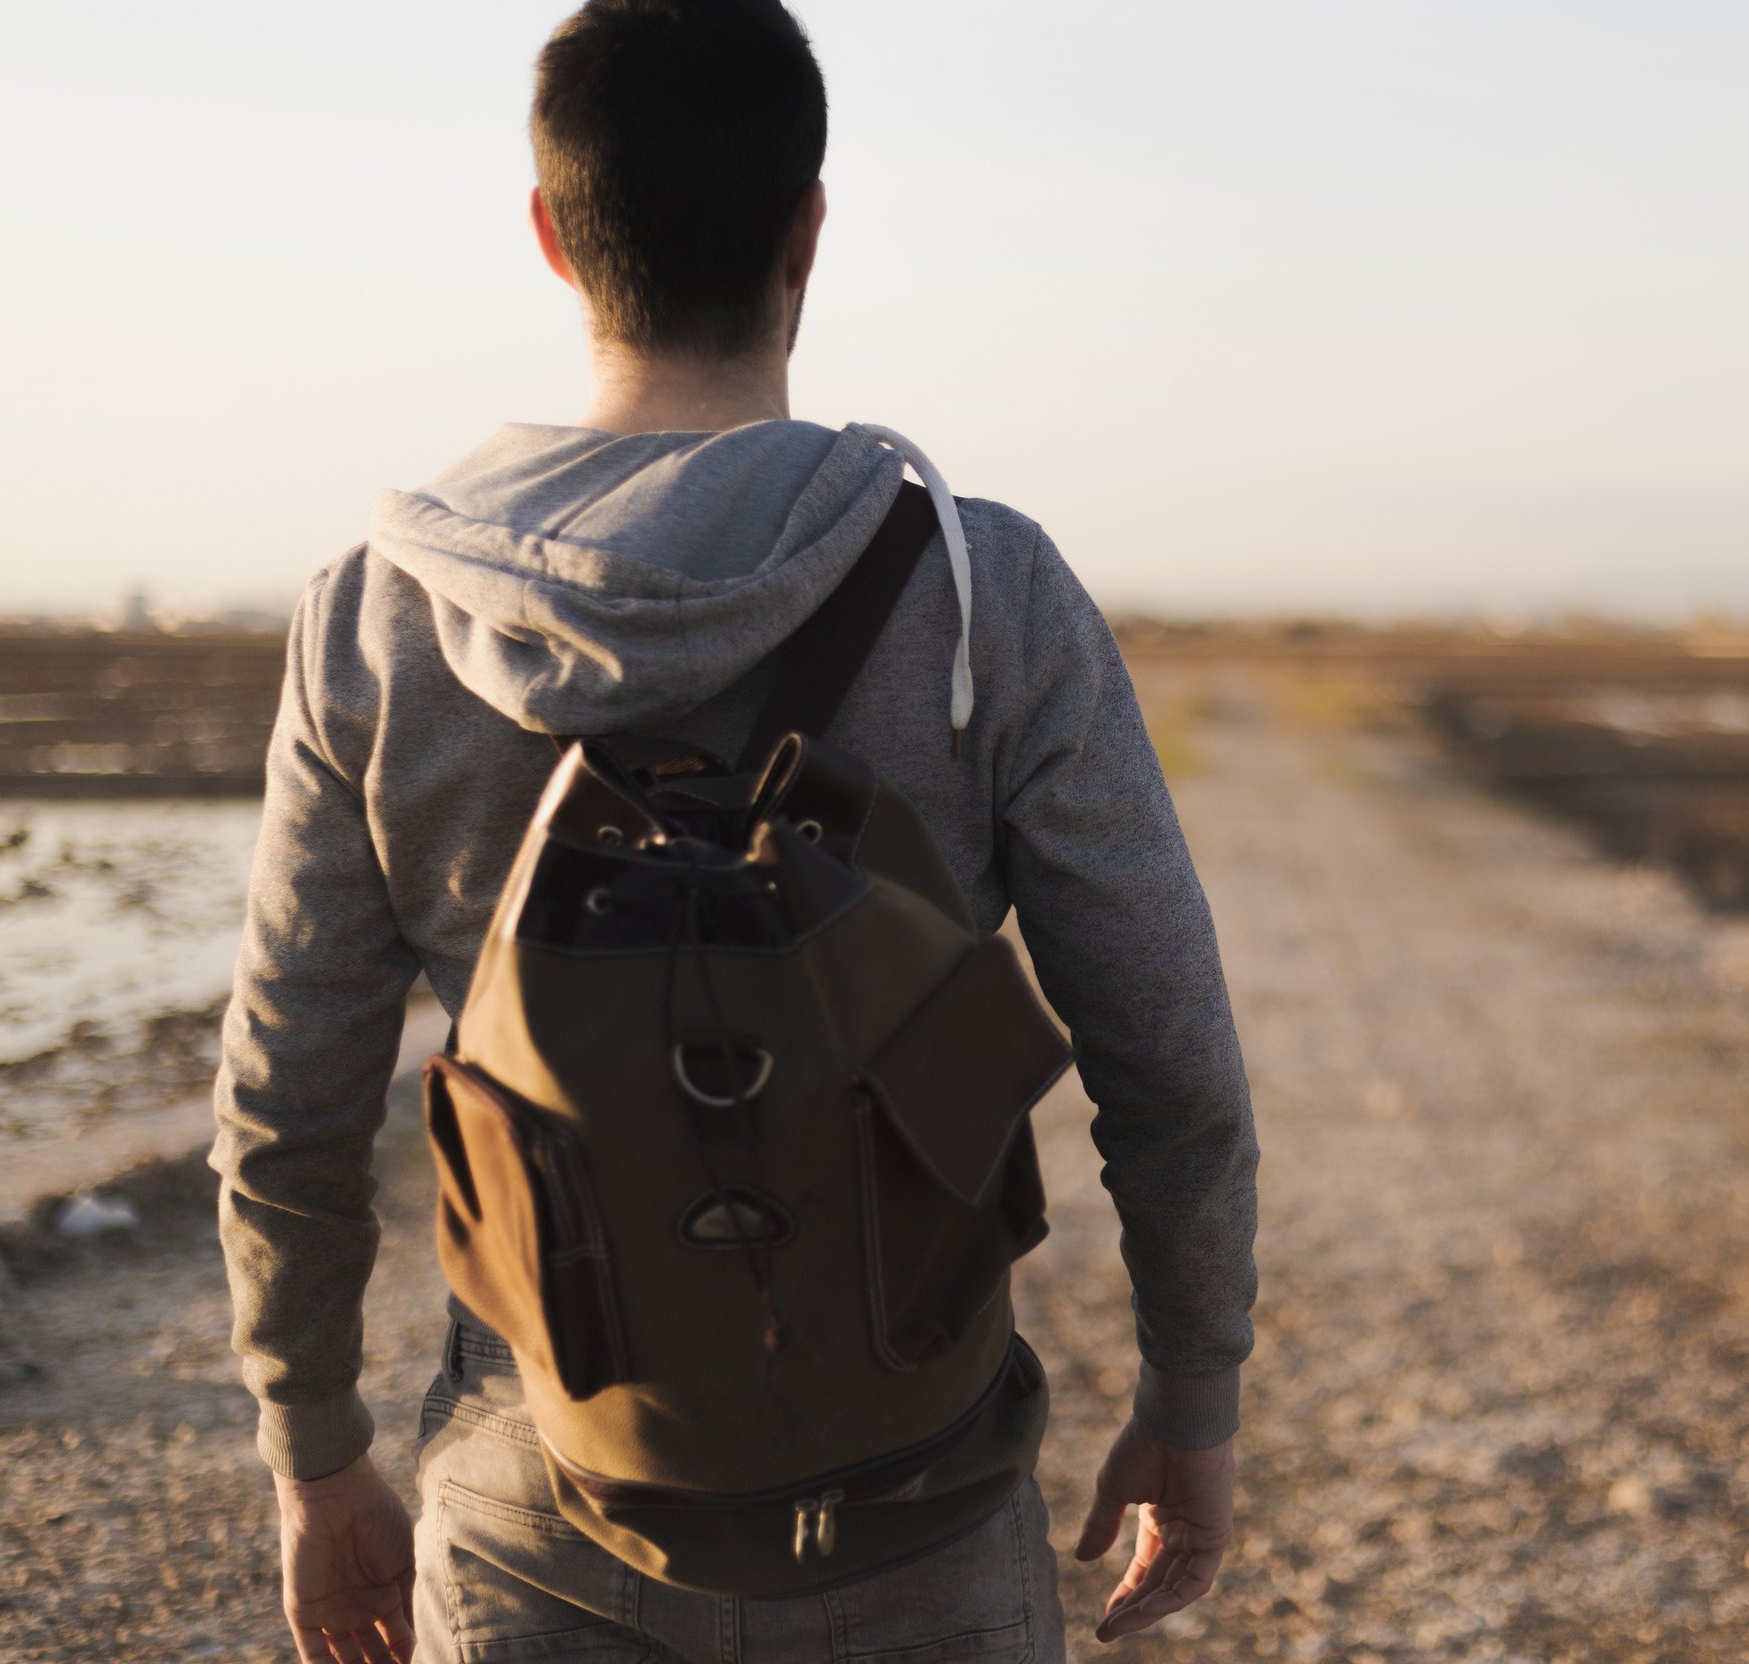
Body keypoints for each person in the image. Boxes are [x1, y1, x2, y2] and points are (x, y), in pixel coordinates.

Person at [207, 2, 1259, 1660]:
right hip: (917, 1479)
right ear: (806, 232)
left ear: (553, 237)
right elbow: (1167, 1059)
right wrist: (1190, 1399)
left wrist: (314, 1452)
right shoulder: (981, 590)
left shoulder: (378, 619)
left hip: (542, 1474)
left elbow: (290, 1101)